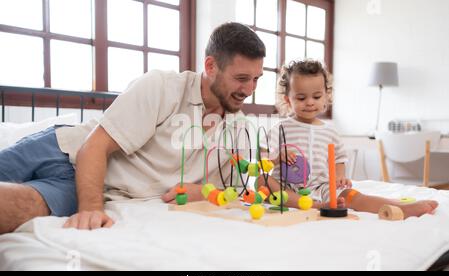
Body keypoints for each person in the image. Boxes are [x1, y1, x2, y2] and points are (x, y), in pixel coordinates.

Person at [0, 22, 266, 234]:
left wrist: (207, 194)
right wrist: (90, 209)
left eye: (256, 79)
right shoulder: (162, 86)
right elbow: (95, 145)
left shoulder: (238, 131)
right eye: (241, 78)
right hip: (60, 147)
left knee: (15, 208)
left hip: (85, 182)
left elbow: (235, 194)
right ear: (210, 66)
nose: (249, 90)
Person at [257, 59, 438, 218]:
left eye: (317, 96)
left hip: (322, 187)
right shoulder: (280, 128)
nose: (310, 102)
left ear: (326, 96)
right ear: (288, 100)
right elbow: (262, 160)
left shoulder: (330, 132)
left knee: (353, 196)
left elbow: (339, 159)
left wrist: (340, 177)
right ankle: (315, 206)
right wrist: (276, 157)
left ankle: (400, 207)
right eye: (301, 97)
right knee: (261, 181)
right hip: (286, 188)